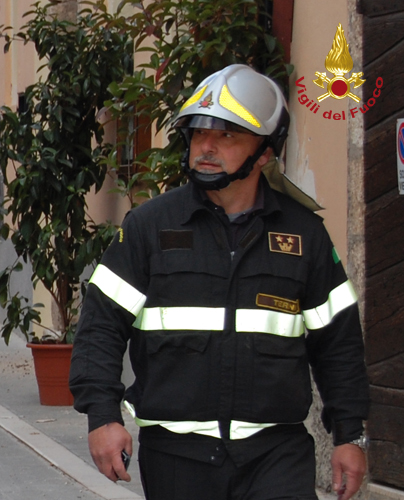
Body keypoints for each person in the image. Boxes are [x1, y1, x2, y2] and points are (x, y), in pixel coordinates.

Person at [70, 63, 370, 500]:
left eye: (227, 135)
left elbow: (338, 343)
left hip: (277, 457)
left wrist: (349, 434)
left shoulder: (304, 236)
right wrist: (102, 416)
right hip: (178, 460)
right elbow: (100, 327)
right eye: (198, 134)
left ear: (265, 151)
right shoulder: (150, 227)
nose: (206, 147)